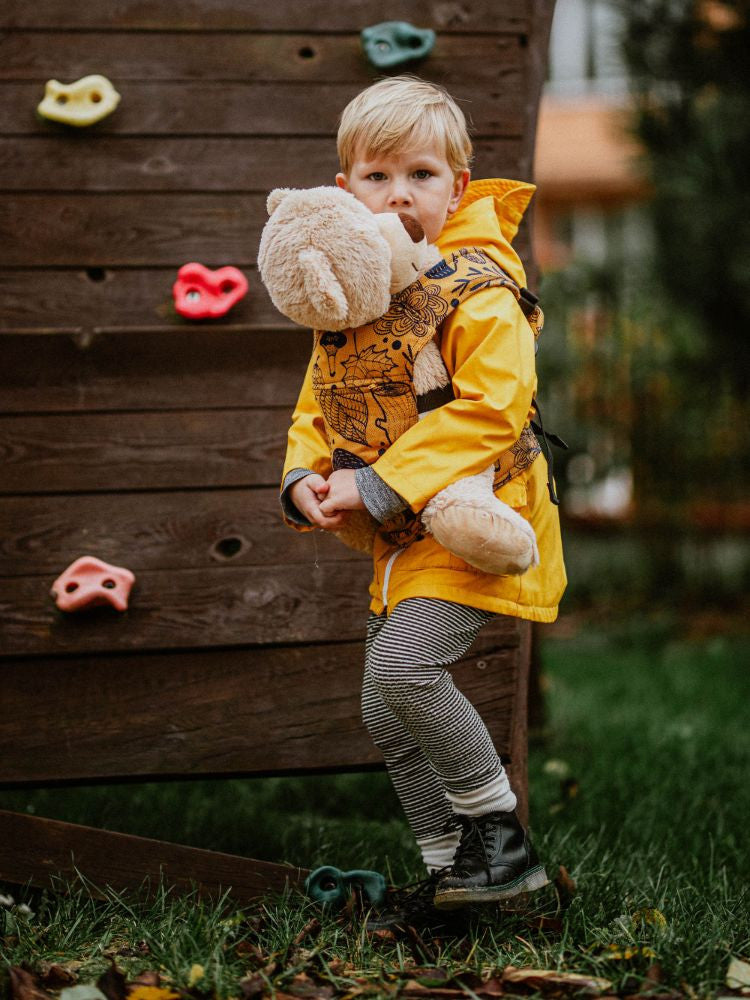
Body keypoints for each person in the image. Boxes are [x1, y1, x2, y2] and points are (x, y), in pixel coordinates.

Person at [278, 76, 567, 913]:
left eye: (421, 175)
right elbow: (318, 401)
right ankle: (453, 876)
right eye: (377, 177)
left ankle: (504, 848)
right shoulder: (352, 293)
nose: (399, 194)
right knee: (386, 707)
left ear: (459, 187)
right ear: (345, 191)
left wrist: (375, 482)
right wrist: (305, 476)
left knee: (407, 671)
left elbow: (492, 409)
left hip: (479, 515)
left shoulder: (478, 288)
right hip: (398, 536)